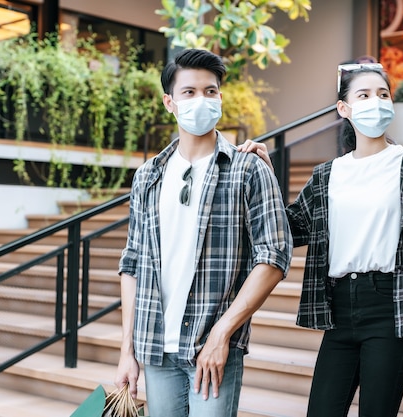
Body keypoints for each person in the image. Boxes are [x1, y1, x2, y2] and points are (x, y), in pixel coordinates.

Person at [239, 62, 403, 416]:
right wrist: (267, 174)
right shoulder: (327, 175)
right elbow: (288, 229)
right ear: (343, 109)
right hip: (340, 309)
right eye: (363, 95)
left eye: (382, 95)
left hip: (391, 306)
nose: (375, 102)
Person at [115, 48, 293, 417]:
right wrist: (126, 352)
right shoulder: (148, 176)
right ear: (170, 102)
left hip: (212, 346)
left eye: (210, 91)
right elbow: (132, 264)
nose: (202, 100)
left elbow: (274, 256)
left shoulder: (248, 169)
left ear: (220, 98)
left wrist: (221, 334)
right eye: (189, 92)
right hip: (155, 348)